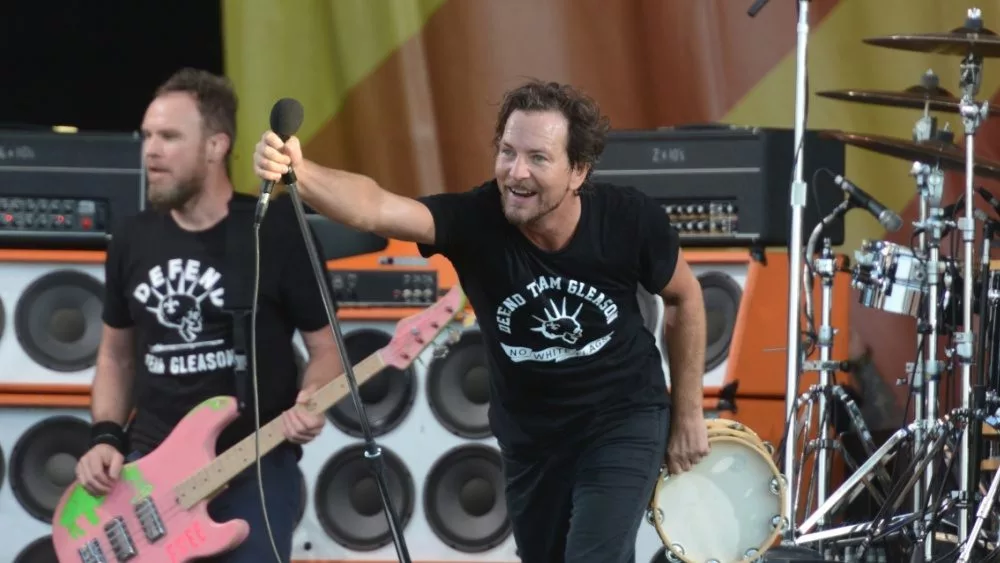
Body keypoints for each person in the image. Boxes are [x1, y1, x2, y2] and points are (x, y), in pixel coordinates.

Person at [253, 79, 710, 562]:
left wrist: (688, 412)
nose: (516, 172)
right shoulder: (475, 219)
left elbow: (685, 298)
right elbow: (375, 208)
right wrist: (301, 171)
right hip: (532, 438)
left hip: (622, 419)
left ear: (578, 171)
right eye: (507, 152)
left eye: (538, 158)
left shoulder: (628, 219)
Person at [74, 68, 343, 563]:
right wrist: (106, 437)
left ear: (217, 146)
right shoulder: (132, 238)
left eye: (170, 137)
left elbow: (326, 349)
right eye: (148, 136)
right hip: (149, 473)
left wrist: (312, 400)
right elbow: (116, 358)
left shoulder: (273, 231)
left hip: (254, 465)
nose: (150, 150)